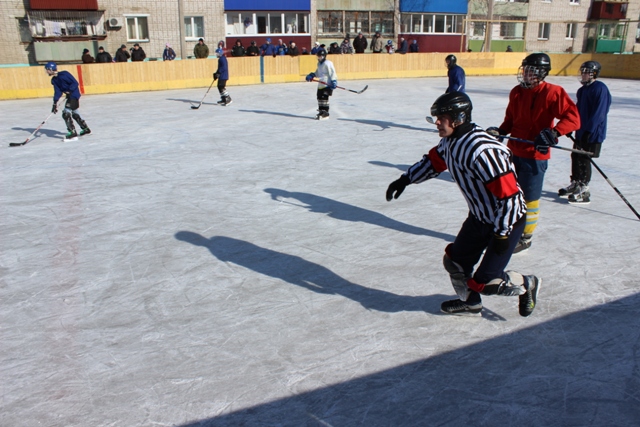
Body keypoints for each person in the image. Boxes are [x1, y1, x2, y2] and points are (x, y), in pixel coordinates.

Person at [385, 91, 540, 317]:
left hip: (507, 220)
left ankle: (528, 284)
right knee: (455, 263)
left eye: (442, 117)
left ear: (458, 118)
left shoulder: (483, 151)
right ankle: (470, 303)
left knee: (488, 282)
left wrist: (502, 234)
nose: (437, 122)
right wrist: (406, 178)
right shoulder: (450, 142)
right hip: (479, 218)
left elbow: (510, 197)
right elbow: (434, 161)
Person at [487, 53, 580, 253]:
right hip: (514, 152)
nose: (526, 74)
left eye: (532, 71)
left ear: (543, 73)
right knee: (509, 194)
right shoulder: (516, 92)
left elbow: (573, 118)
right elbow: (511, 120)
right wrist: (501, 131)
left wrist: (554, 132)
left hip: (535, 156)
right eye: (525, 69)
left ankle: (525, 236)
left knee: (529, 198)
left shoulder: (553, 92)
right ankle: (507, 228)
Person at [558, 61, 612, 204]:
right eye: (582, 71)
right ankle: (576, 182)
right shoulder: (582, 91)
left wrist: (589, 130)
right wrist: (570, 124)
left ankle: (584, 189)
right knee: (575, 156)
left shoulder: (600, 88)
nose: (583, 74)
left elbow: (599, 113)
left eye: (586, 72)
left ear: (594, 73)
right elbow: (576, 111)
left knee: (585, 159)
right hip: (581, 131)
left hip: (593, 133)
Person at [44, 61, 91, 141]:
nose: (46, 71)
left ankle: (72, 132)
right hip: (70, 96)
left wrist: (70, 90)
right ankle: (85, 128)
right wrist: (55, 103)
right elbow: (57, 91)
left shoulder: (64, 74)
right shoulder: (54, 80)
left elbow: (75, 83)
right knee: (75, 113)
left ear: (51, 69)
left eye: (47, 69)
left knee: (66, 113)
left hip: (74, 95)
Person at [305, 48, 337, 120]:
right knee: (319, 97)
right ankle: (321, 111)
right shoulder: (319, 64)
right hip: (321, 83)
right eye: (318, 56)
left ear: (323, 56)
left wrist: (334, 81)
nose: (318, 58)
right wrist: (312, 75)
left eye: (319, 56)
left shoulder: (328, 63)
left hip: (327, 83)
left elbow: (332, 72)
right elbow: (318, 73)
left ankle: (325, 112)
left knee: (324, 98)